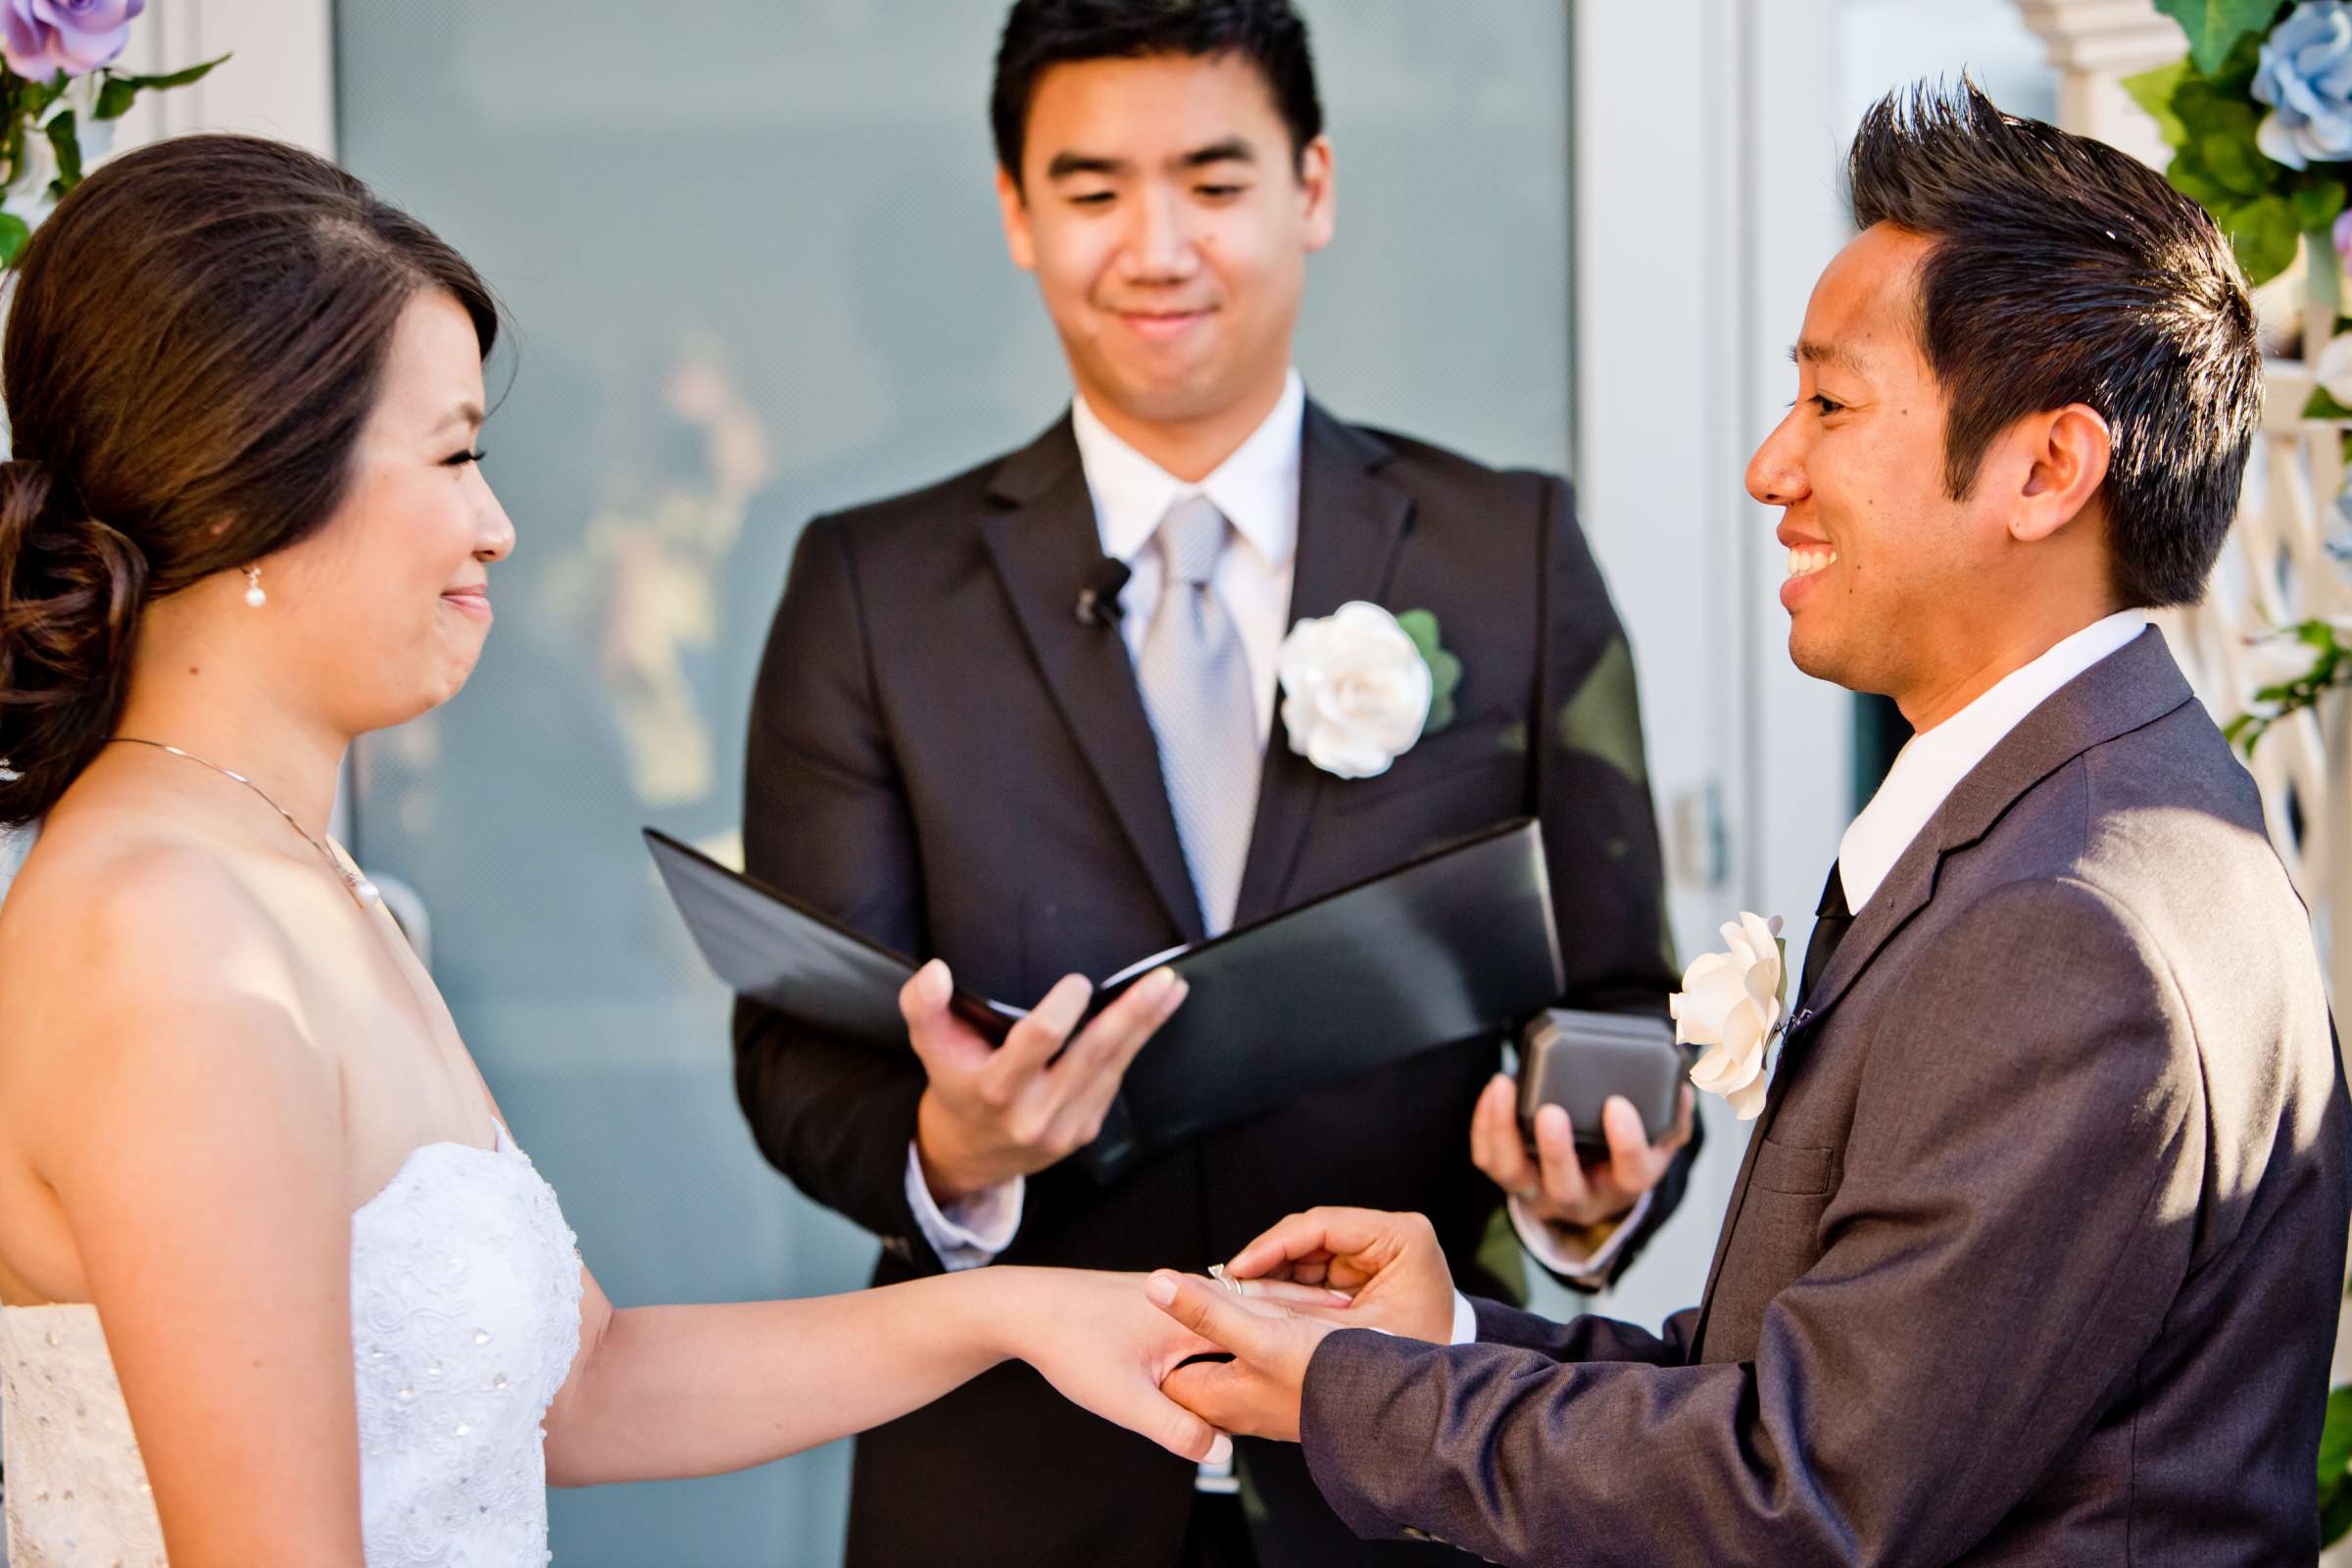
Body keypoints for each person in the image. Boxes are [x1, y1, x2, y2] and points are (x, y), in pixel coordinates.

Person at [0, 132, 1306, 1568]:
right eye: (452, 456)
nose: (497, 529)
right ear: (255, 491)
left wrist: (1022, 1313)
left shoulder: (292, 877)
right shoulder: (169, 941)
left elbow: (582, 1385)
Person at [1138, 83, 2352, 1566]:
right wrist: (1443, 1340)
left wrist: (1359, 1402)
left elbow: (1805, 1494)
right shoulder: (2108, 814)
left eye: (1832, 404)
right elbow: (1799, 1411)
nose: (1774, 467)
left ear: (2048, 469)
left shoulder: (2073, 920)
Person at [729, 1, 1700, 1562]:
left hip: (1413, 1475)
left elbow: (1615, 992)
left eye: (1215, 180)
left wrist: (1579, 1189)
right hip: (1008, 1482)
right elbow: (795, 1053)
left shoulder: (1505, 551)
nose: (1156, 248)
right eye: (1095, 191)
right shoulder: (870, 588)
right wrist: (960, 1153)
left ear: (1311, 187)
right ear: (1016, 214)